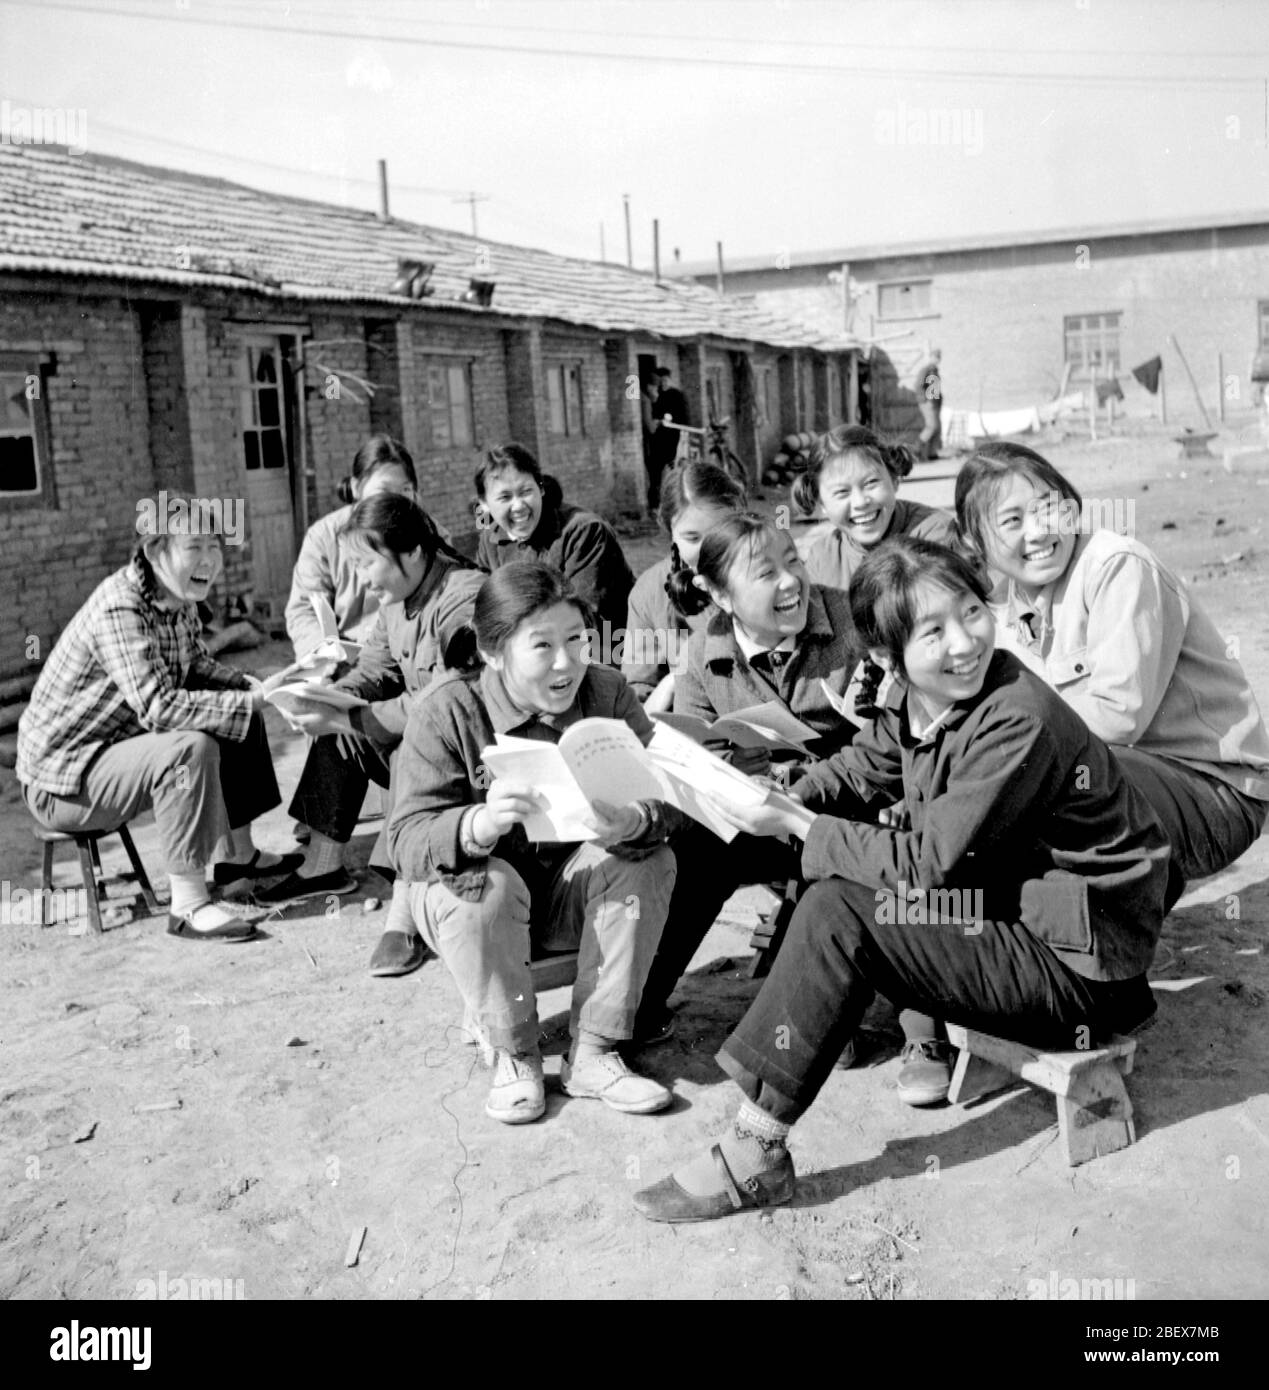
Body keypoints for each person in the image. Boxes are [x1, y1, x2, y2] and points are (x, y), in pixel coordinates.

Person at [632, 537, 1169, 1223]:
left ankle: (755, 1150)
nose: (964, 641)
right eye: (933, 632)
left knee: (838, 909)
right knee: (822, 887)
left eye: (970, 612)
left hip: (1078, 967)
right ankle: (751, 1114)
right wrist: (790, 791)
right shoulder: (922, 698)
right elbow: (865, 764)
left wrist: (800, 827)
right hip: (1011, 914)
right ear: (887, 658)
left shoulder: (1017, 718)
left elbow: (922, 867)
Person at [387, 562, 678, 1125]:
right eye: (541, 646)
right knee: (486, 888)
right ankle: (514, 1053)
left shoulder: (609, 692)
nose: (566, 662)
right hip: (479, 900)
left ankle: (595, 1052)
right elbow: (403, 842)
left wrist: (633, 820)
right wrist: (476, 825)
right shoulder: (448, 710)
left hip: (569, 895)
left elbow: (667, 799)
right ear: (494, 651)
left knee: (649, 858)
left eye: (576, 640)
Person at [955, 441, 1269, 895]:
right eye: (1012, 521)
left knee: (1051, 779)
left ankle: (1114, 930)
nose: (1041, 532)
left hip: (1216, 794)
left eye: (1049, 509)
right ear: (973, 539)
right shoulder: (1007, 607)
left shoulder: (1116, 566)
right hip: (1140, 780)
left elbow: (1119, 718)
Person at [632, 512, 865, 1043]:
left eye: (794, 562)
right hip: (754, 813)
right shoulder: (702, 653)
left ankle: (826, 1013)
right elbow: (691, 755)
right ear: (718, 593)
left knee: (830, 863)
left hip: (847, 808)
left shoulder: (852, 624)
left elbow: (887, 744)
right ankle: (637, 1006)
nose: (791, 583)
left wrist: (800, 780)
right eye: (766, 574)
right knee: (696, 851)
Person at [17, 510, 301, 943]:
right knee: (189, 748)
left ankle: (238, 859)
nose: (208, 560)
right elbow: (159, 706)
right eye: (194, 548)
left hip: (108, 753)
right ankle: (187, 906)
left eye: (213, 547)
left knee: (240, 715)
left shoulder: (177, 598)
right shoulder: (121, 606)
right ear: (154, 552)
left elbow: (197, 665)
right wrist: (244, 700)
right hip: (65, 783)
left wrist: (255, 687)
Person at [256, 495, 485, 979]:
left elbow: (447, 699)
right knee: (341, 724)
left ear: (415, 551)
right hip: (432, 743)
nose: (362, 579)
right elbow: (375, 670)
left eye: (368, 563)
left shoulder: (464, 596)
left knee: (407, 743)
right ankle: (323, 863)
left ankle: (404, 914)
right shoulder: (397, 602)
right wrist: (325, 699)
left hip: (473, 757)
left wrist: (353, 718)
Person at [474, 443, 634, 651]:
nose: (518, 506)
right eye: (505, 497)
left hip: (604, 653)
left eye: (526, 491)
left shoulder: (584, 532)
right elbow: (484, 610)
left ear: (540, 488)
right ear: (484, 503)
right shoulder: (491, 540)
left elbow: (583, 621)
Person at [621, 459, 747, 709]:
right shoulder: (650, 592)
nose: (707, 549)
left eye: (719, 532)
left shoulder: (763, 573)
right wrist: (673, 681)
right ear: (670, 531)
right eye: (692, 537)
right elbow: (639, 690)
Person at [284, 435, 421, 662]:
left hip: (404, 659)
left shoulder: (427, 535)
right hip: (341, 661)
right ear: (357, 488)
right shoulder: (325, 537)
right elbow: (306, 609)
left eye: (405, 490)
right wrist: (325, 656)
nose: (394, 503)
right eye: (384, 490)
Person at [793, 425, 957, 592]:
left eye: (871, 483)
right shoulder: (823, 559)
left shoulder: (936, 535)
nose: (860, 502)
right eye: (842, 492)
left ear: (894, 480)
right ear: (822, 504)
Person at [647, 366, 691, 514]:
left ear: (670, 380)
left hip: (673, 437)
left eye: (665, 380)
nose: (663, 384)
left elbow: (684, 418)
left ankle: (676, 504)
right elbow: (653, 415)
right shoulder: (655, 395)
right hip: (658, 438)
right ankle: (655, 505)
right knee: (656, 470)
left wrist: (677, 426)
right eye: (660, 381)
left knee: (674, 468)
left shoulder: (677, 395)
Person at [916, 349, 942, 461]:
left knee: (937, 428)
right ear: (931, 357)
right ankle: (916, 450)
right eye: (935, 356)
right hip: (928, 403)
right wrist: (926, 399)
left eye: (939, 357)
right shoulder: (927, 369)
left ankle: (932, 453)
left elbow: (935, 389)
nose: (937, 359)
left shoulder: (934, 370)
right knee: (931, 427)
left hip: (935, 403)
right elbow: (919, 385)